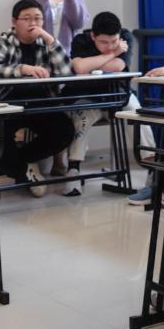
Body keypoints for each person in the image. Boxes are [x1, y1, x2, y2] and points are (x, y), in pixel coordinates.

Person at [0, 0, 77, 196]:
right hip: (9, 103)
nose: (33, 23)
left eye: (37, 18)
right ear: (14, 21)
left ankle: (25, 162)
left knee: (65, 131)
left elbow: (67, 72)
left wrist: (50, 40)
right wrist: (22, 69)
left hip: (41, 101)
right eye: (26, 18)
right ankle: (24, 171)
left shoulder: (46, 42)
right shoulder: (3, 42)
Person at [62, 11, 136, 196]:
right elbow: (79, 67)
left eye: (114, 42)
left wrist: (91, 64)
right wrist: (116, 53)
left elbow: (118, 66)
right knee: (82, 117)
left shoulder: (126, 36)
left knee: (137, 113)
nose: (109, 47)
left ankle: (151, 165)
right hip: (86, 96)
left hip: (119, 95)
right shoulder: (81, 40)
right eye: (104, 42)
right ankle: (74, 170)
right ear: (93, 36)